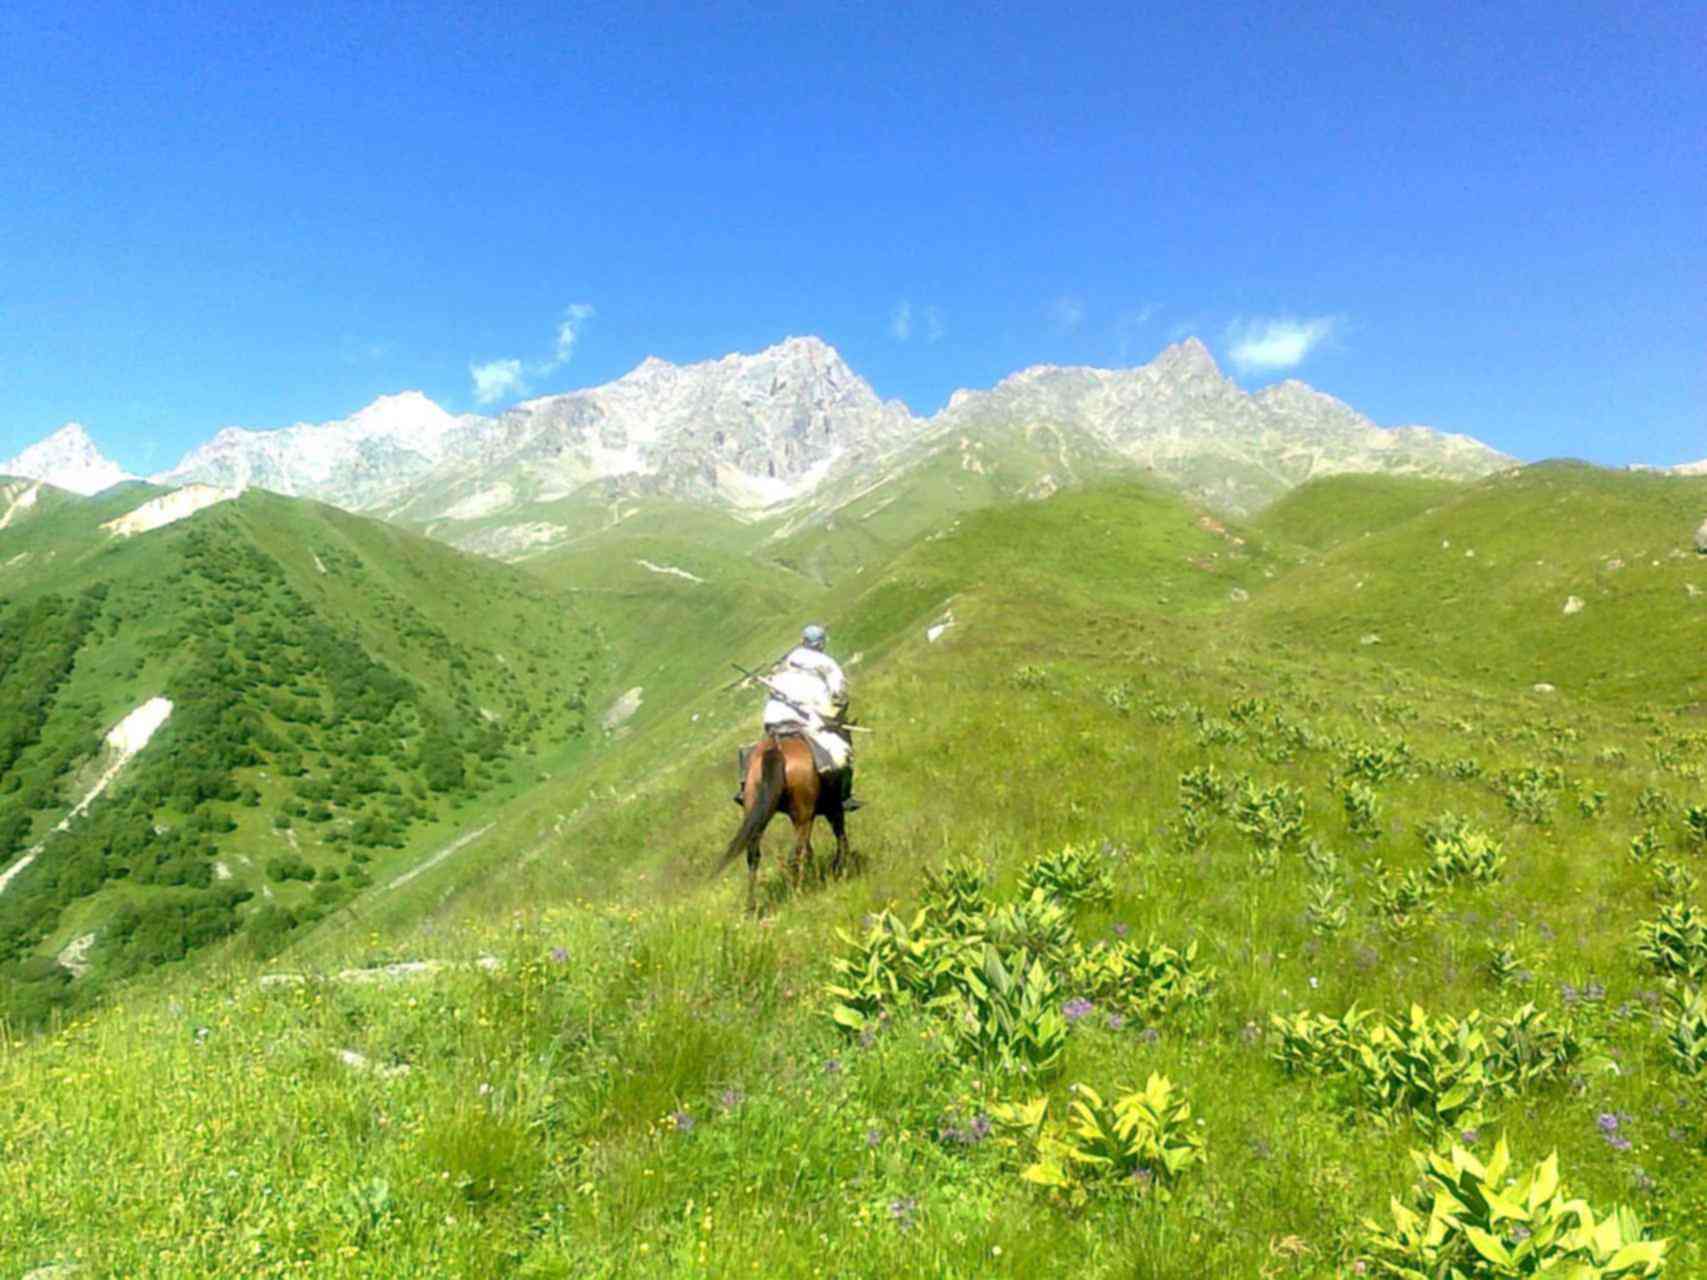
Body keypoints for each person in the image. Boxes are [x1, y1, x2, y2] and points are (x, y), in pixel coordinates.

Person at [735, 623, 862, 810]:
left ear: (803, 641)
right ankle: (843, 796)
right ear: (821, 644)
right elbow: (839, 694)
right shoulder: (828, 664)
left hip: (774, 716)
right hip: (806, 719)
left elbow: (773, 684)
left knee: (760, 747)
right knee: (842, 753)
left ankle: (745, 787)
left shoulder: (789, 658)